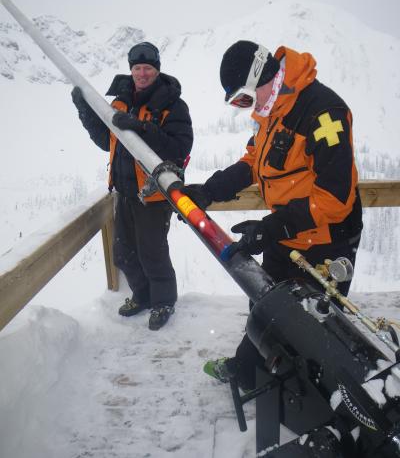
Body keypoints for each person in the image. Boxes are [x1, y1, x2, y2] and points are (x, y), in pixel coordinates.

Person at [182, 40, 363, 390]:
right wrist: (209, 191)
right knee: (267, 307)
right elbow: (253, 162)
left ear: (262, 78)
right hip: (288, 231)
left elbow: (335, 198)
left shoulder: (323, 112)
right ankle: (247, 370)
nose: (247, 108)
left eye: (244, 98)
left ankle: (323, 397)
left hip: (327, 238)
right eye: (239, 103)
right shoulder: (271, 113)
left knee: (314, 326)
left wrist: (273, 226)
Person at [71, 42, 193, 330]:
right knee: (123, 252)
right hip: (124, 192)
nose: (141, 73)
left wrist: (143, 128)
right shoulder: (121, 101)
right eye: (137, 68)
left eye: (147, 68)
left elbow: (179, 148)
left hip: (154, 192)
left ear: (157, 69)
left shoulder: (172, 104)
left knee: (152, 251)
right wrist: (85, 111)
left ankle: (163, 301)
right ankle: (143, 296)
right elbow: (107, 141)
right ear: (131, 70)